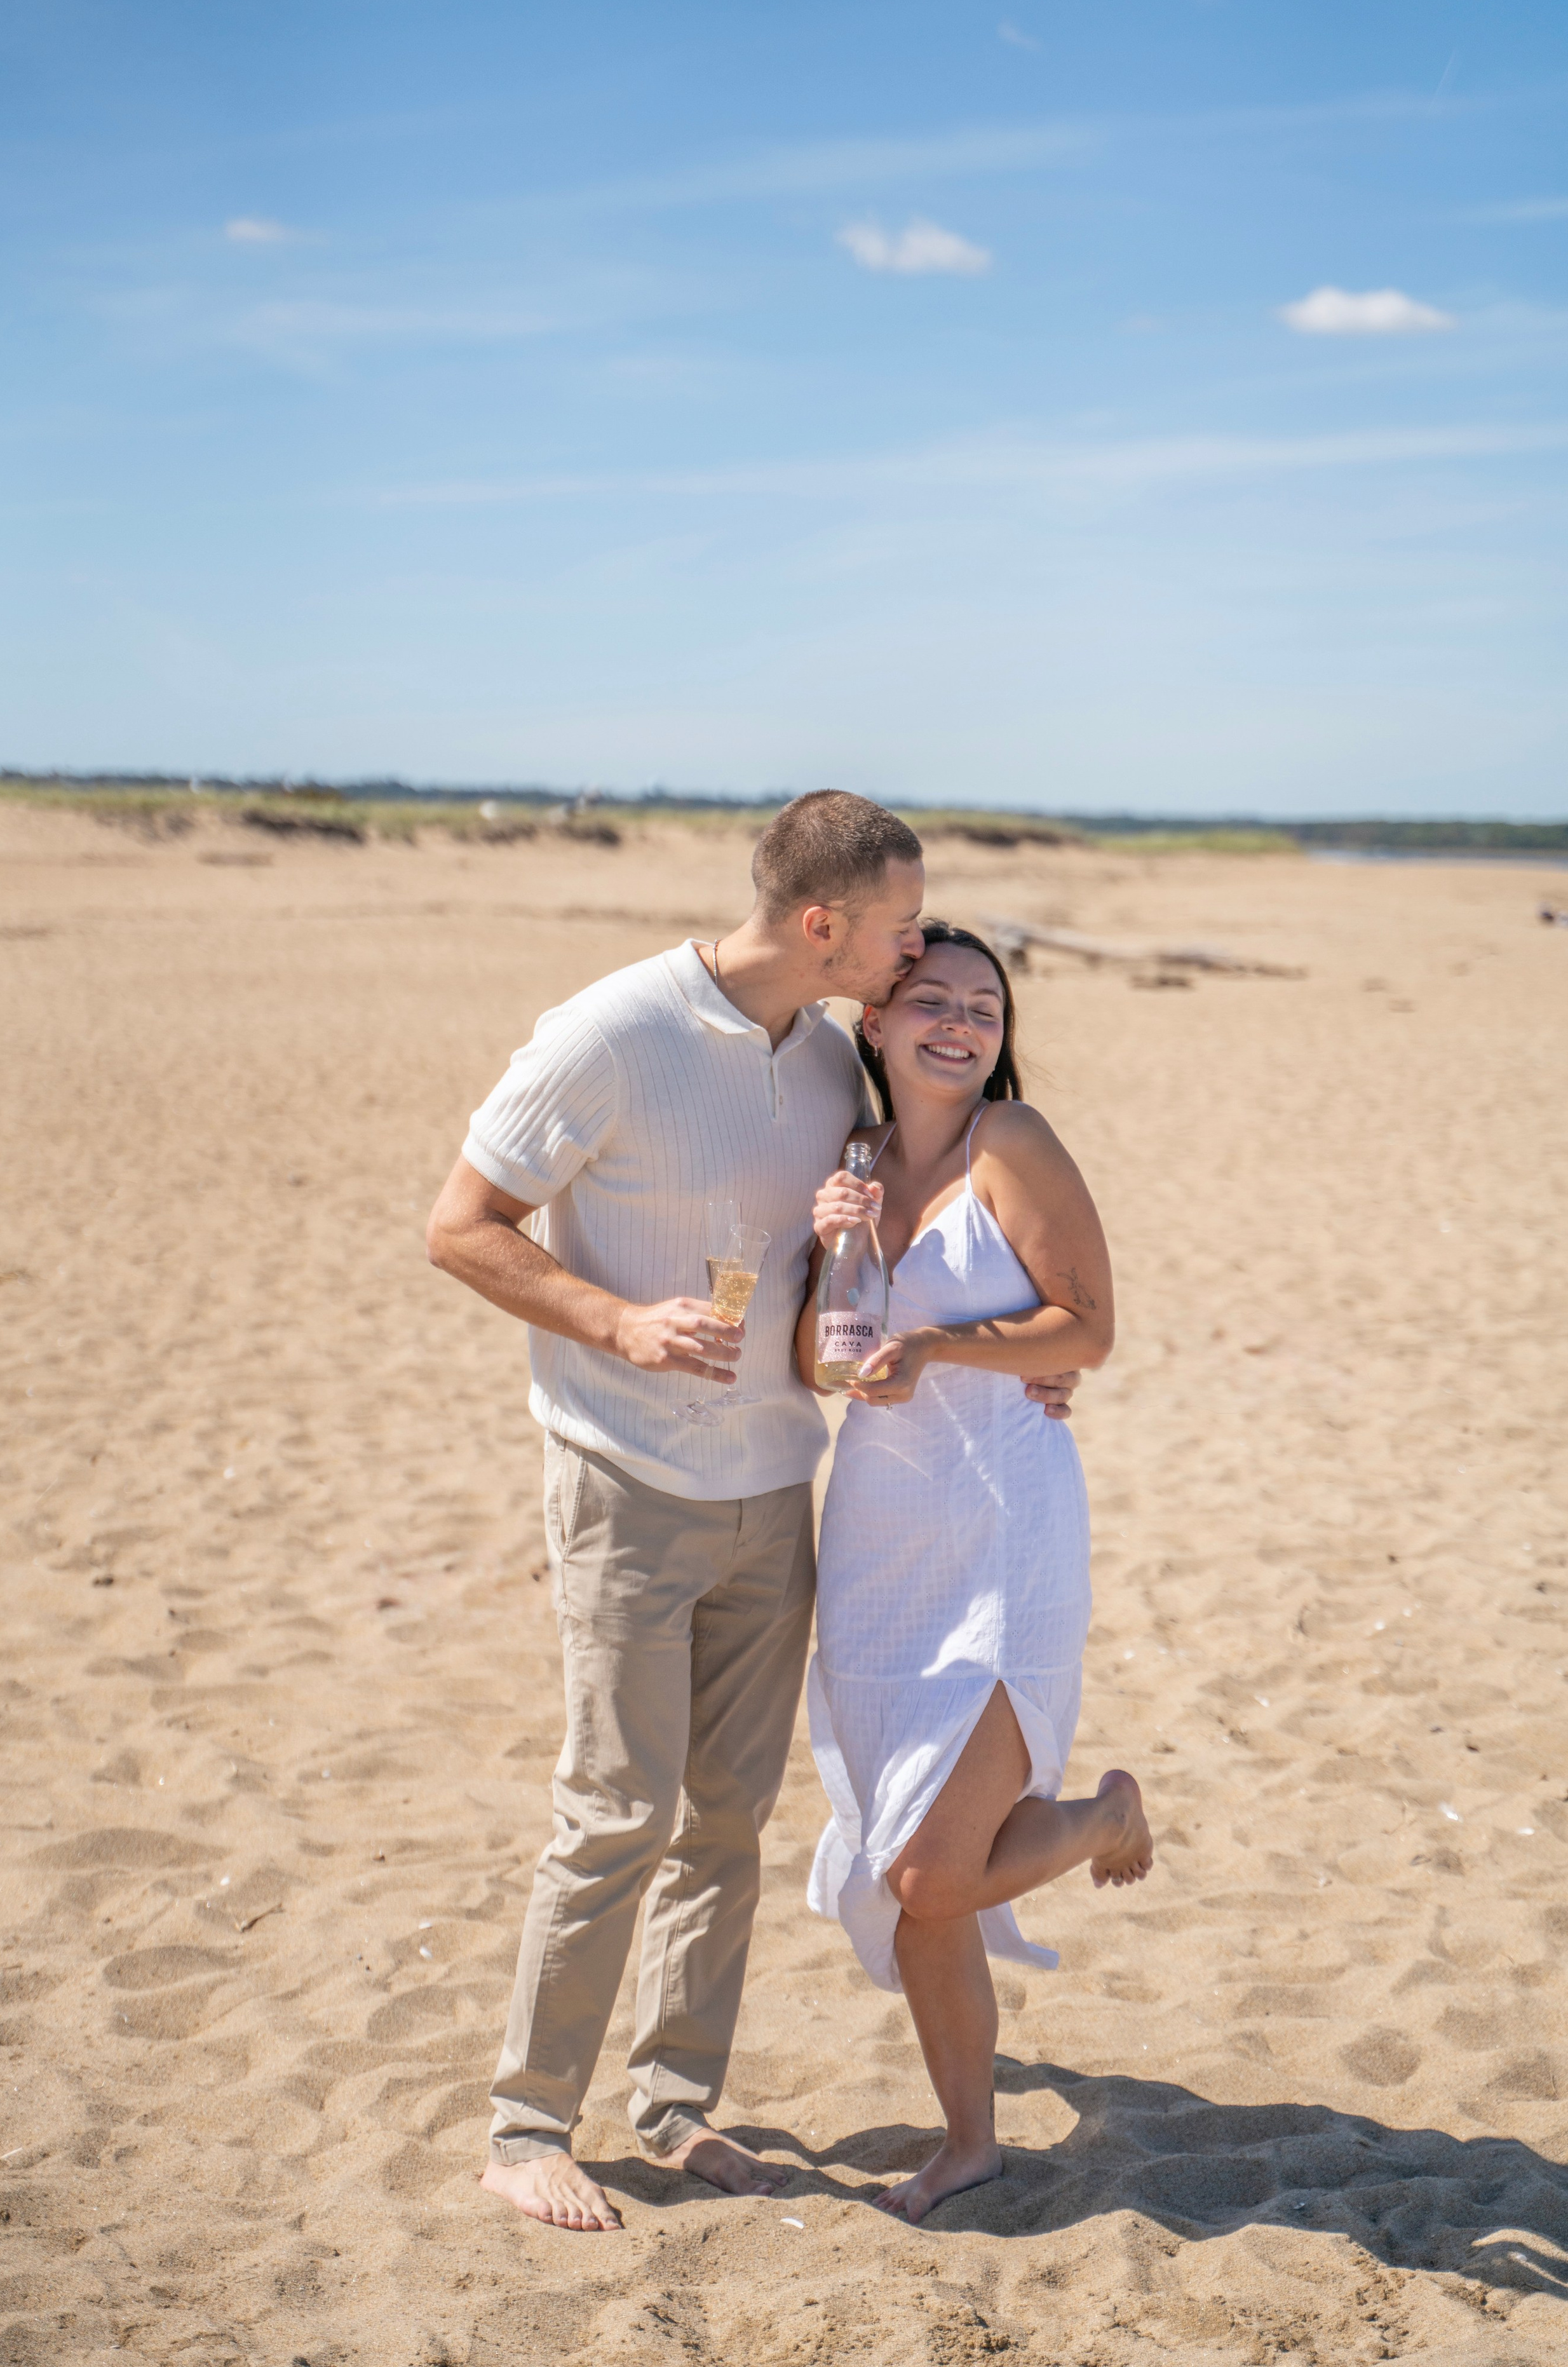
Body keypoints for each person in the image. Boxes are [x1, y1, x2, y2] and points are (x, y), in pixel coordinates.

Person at [427, 795, 1080, 2235]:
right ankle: (527, 2123)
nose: (917, 948)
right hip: (622, 1480)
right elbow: (458, 1223)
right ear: (820, 925)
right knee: (615, 1808)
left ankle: (673, 2100)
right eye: (902, 922)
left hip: (779, 1490)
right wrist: (613, 1318)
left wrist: (1012, 1366)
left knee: (725, 1818)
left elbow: (898, 1250)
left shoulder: (832, 1067)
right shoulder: (610, 1031)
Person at [796, 919, 1153, 2227]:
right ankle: (968, 2142)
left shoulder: (1013, 1141)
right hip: (881, 1540)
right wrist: (835, 1241)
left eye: (983, 1004)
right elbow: (819, 1363)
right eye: (930, 999)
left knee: (927, 1877)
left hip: (1005, 1527)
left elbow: (1091, 1326)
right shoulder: (852, 1160)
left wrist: (946, 1345)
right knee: (910, 1878)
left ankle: (1103, 1815)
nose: (958, 1020)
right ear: (876, 1025)